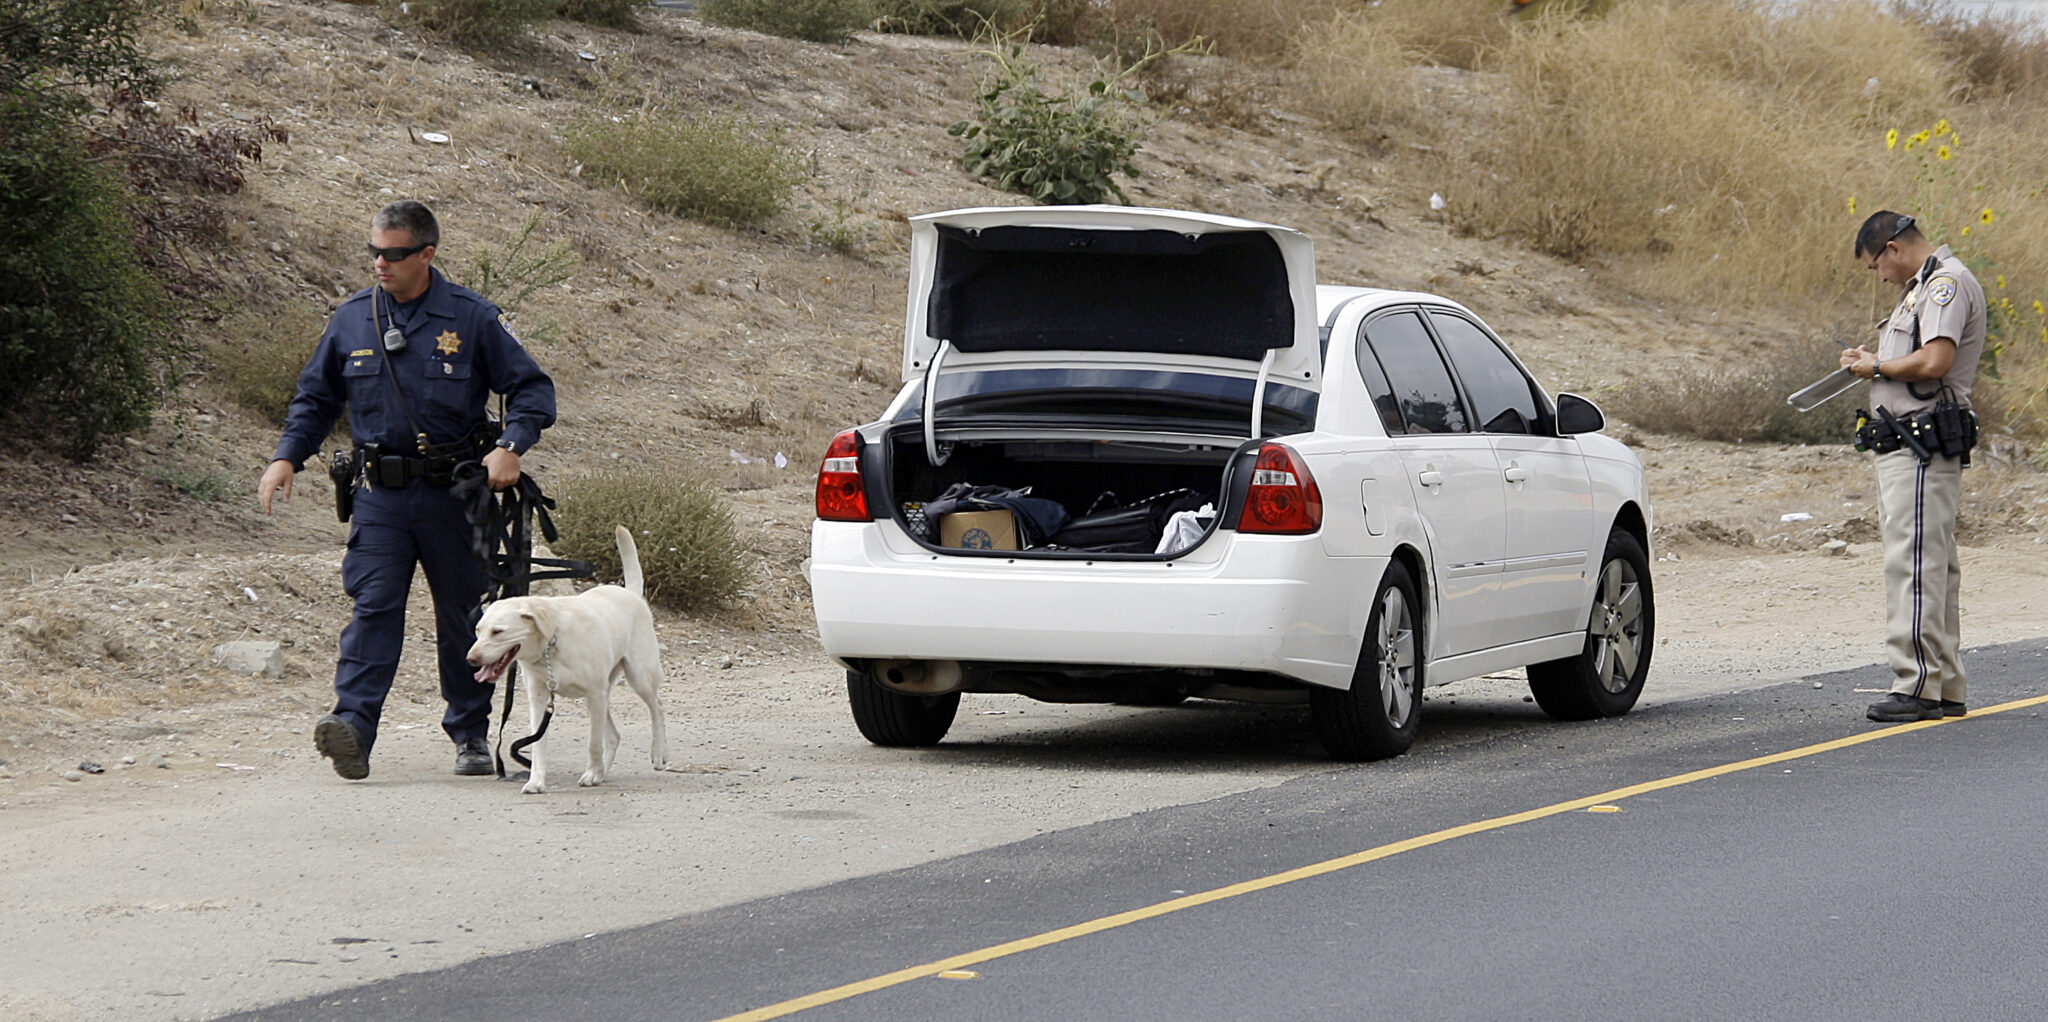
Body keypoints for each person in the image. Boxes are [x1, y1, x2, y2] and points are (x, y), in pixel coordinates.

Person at [257, 200, 557, 779]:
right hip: (381, 497)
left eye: (393, 253)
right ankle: (353, 729)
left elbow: (532, 391)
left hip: (456, 495)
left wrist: (511, 446)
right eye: (373, 251)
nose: (380, 263)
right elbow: (315, 400)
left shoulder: (471, 318)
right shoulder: (351, 320)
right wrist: (285, 457)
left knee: (463, 617)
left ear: (426, 253)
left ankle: (469, 732)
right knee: (374, 608)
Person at [1839, 210, 1984, 723]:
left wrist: (1875, 366)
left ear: (1893, 249)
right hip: (1910, 443)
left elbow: (1935, 361)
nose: (1879, 276)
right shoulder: (1925, 287)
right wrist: (1874, 357)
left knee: (1913, 564)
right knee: (1933, 564)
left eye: (1875, 265)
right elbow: (1916, 358)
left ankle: (1917, 683)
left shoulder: (1943, 285)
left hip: (1921, 444)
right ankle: (1942, 684)